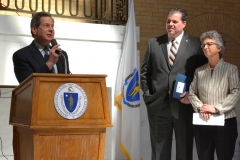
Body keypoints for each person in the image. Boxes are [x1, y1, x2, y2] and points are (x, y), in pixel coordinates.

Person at [140, 8, 207, 160]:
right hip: (158, 107)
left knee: (184, 151)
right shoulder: (154, 43)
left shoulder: (196, 44)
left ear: (184, 24)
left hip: (184, 106)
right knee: (159, 152)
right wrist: (148, 95)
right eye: (168, 21)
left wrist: (193, 95)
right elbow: (145, 73)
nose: (170, 24)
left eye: (174, 21)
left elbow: (203, 75)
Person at [188, 30, 240, 160]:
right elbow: (192, 93)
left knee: (225, 156)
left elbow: (236, 92)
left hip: (225, 122)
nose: (205, 47)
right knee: (204, 157)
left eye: (209, 44)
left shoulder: (231, 69)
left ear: (219, 48)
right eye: (203, 45)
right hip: (203, 122)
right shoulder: (199, 71)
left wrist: (216, 108)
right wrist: (202, 108)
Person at [13, 11, 71, 83]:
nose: (51, 29)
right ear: (34, 29)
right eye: (46, 25)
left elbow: (68, 81)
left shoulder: (62, 55)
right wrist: (50, 62)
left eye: (52, 26)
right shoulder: (21, 55)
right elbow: (28, 83)